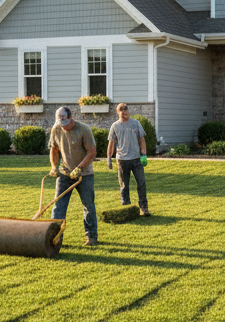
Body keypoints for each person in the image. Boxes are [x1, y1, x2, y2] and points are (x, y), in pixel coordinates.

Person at [48, 106, 99, 247]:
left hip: (85, 174)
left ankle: (91, 237)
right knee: (58, 206)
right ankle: (55, 238)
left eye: (65, 123)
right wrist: (54, 166)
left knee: (88, 205)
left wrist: (79, 168)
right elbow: (54, 149)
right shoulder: (56, 128)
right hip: (65, 173)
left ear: (71, 118)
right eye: (61, 124)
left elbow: (92, 152)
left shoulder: (83, 129)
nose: (63, 127)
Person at [106, 103, 149, 216]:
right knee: (124, 185)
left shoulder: (136, 123)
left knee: (141, 183)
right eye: (121, 110)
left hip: (136, 159)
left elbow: (142, 140)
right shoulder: (115, 126)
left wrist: (144, 155)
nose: (124, 112)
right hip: (122, 160)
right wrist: (109, 158)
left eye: (125, 109)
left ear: (128, 111)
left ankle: (144, 208)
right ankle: (126, 207)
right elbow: (111, 143)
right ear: (118, 112)